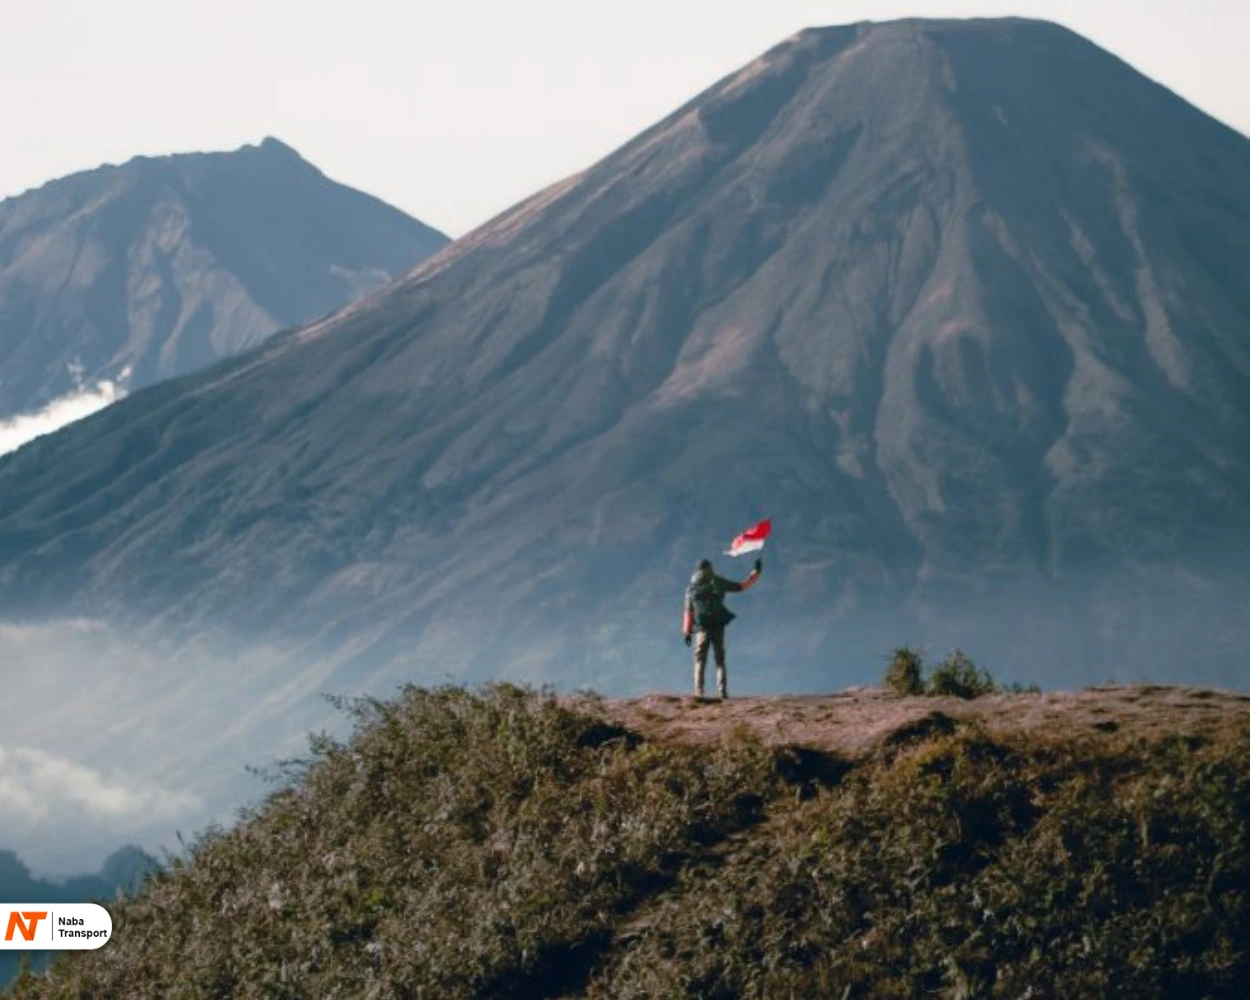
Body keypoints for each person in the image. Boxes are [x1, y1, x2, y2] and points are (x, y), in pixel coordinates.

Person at [682, 556, 762, 699]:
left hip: (701, 629)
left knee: (700, 660)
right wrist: (755, 573)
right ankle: (723, 692)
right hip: (718, 626)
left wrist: (687, 632)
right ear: (710, 568)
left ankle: (699, 692)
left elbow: (689, 613)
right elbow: (742, 586)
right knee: (720, 660)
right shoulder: (718, 581)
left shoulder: (691, 589)